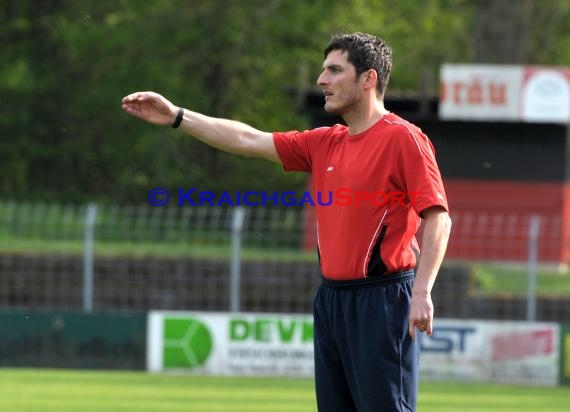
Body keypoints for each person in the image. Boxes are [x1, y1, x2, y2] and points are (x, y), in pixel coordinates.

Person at [122, 32, 451, 412]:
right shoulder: (324, 141)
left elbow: (439, 218)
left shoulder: (404, 139)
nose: (321, 80)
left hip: (382, 300)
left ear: (368, 79)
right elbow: (248, 139)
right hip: (331, 300)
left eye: (334, 70)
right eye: (323, 70)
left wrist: (422, 291)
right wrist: (178, 116)